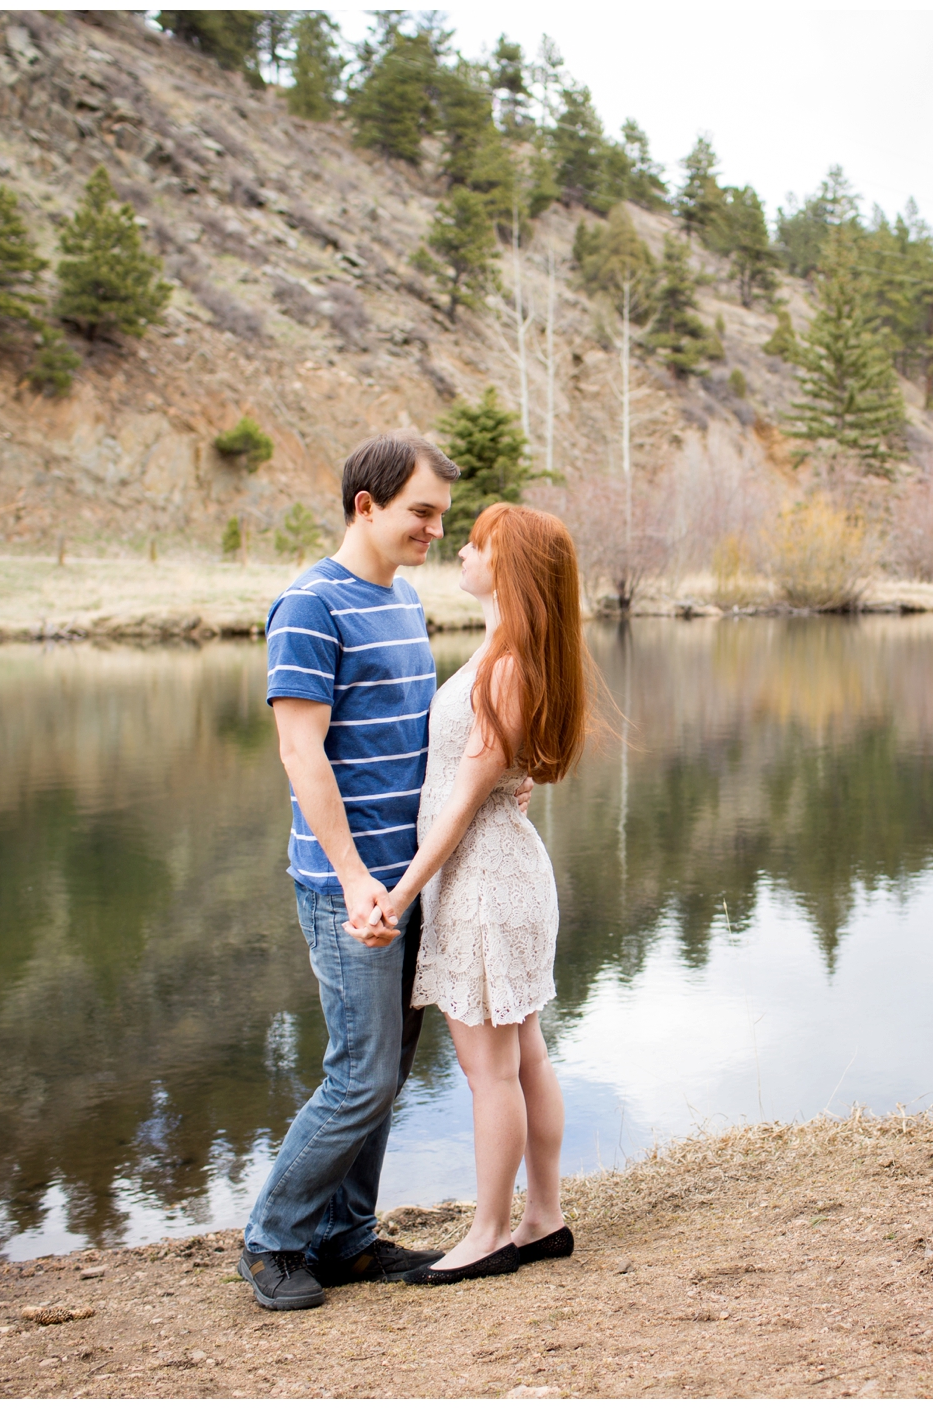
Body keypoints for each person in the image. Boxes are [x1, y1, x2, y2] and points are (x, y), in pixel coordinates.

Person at [237, 432, 532, 1312]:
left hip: (411, 882)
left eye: (442, 515)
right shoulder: (308, 606)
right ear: (365, 505)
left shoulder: (401, 602)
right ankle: (272, 1239)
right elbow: (302, 752)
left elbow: (424, 743)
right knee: (362, 1072)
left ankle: (345, 1238)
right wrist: (355, 874)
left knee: (387, 1072)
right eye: (422, 513)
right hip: (348, 886)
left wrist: (503, 783)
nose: (436, 531)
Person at [362, 502, 597, 1286]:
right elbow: (496, 776)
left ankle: (491, 1231)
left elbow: (462, 801)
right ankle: (544, 1216)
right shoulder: (515, 653)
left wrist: (397, 895)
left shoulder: (505, 664)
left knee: (490, 1067)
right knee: (523, 1050)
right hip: (505, 870)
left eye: (476, 543)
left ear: (509, 567)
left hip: (485, 880)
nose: (459, 551)